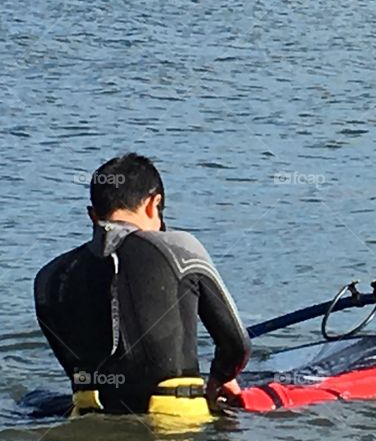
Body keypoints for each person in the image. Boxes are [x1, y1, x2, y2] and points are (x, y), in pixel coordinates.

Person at [34, 154, 250, 417]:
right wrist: (220, 375)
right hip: (174, 421)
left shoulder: (49, 277)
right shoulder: (179, 248)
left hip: (92, 416)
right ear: (153, 204)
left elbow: (73, 367)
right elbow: (237, 346)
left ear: (92, 215)